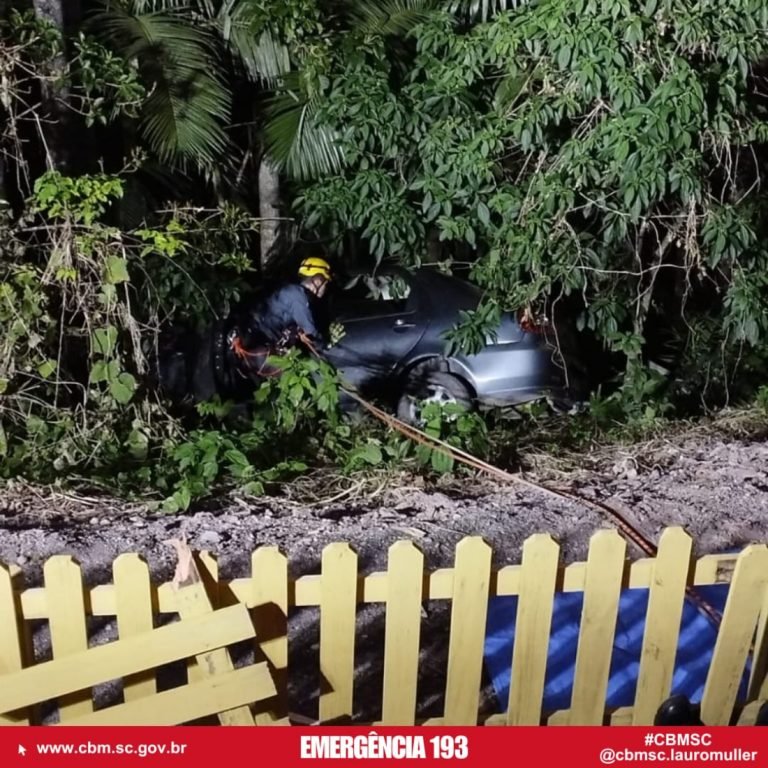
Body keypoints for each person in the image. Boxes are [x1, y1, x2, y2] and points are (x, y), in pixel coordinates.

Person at [225, 256, 337, 384]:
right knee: (296, 375)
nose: (325, 287)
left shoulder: (291, 290)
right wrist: (325, 345)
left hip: (255, 337)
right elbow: (310, 332)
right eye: (325, 283)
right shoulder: (299, 299)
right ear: (317, 281)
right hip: (258, 347)